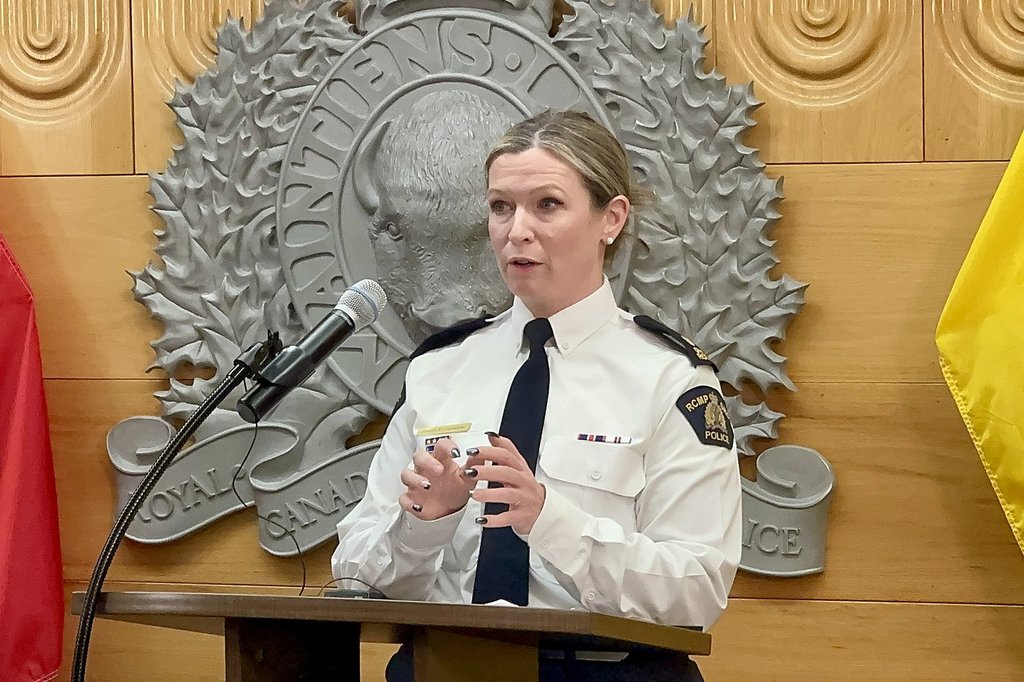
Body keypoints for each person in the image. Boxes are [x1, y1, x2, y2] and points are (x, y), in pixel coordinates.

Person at [332, 110, 742, 681]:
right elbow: (357, 573)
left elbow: (695, 588)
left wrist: (550, 520)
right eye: (501, 207)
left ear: (611, 219)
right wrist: (424, 524)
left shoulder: (670, 379)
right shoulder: (439, 366)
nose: (515, 230)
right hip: (443, 665)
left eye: (547, 205)